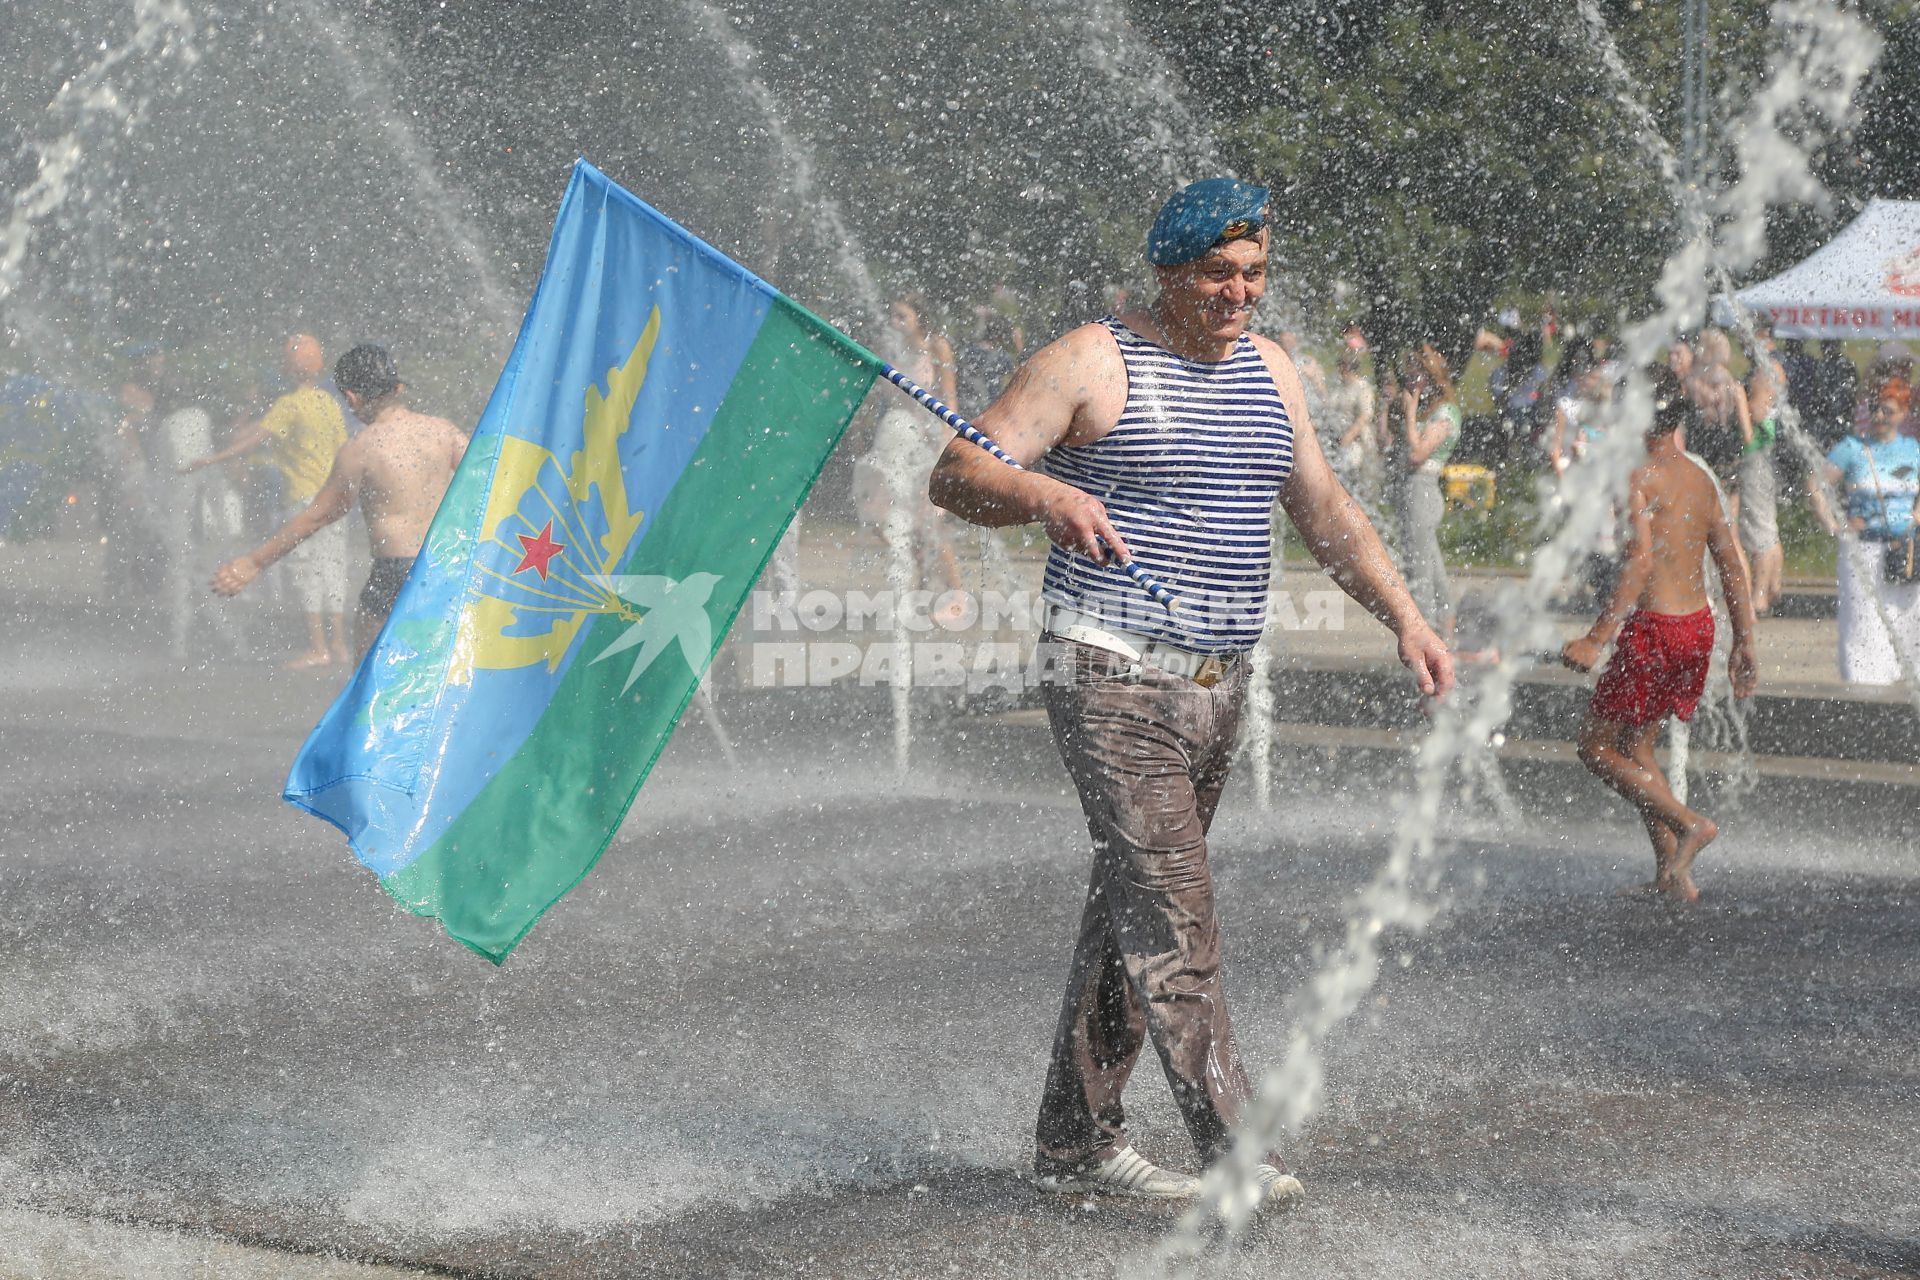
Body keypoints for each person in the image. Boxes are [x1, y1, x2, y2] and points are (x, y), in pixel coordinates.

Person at [927, 177, 1453, 1211]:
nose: (1239, 292)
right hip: (1109, 666)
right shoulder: (1090, 360)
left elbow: (1326, 509)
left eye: (1254, 273)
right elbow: (956, 472)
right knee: (1176, 912)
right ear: (1169, 269)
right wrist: (1043, 491)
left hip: (1219, 682)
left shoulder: (1272, 372)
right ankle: (1236, 1152)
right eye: (1218, 272)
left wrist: (1406, 614)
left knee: (1136, 899)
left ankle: (1076, 1139)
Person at [1561, 369, 1759, 902]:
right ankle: (1673, 875)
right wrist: (1743, 641)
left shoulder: (1639, 475)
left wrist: (1597, 638)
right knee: (1639, 745)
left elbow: (1640, 560)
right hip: (1697, 627)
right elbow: (1732, 567)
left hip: (1656, 630)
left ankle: (1691, 824)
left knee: (1596, 747)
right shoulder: (1699, 478)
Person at [210, 344, 468, 657]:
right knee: (443, 667)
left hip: (395, 570)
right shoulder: (444, 432)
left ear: (351, 397)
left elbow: (316, 517)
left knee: (370, 678)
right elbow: (493, 479)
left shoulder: (360, 449)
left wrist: (254, 562)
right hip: (448, 563)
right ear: (398, 388)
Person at [183, 334, 351, 667]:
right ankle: (340, 644)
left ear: (287, 368)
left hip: (303, 500)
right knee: (333, 569)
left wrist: (213, 459)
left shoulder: (289, 405)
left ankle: (318, 649)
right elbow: (345, 449)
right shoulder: (329, 403)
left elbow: (254, 439)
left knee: (306, 572)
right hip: (334, 500)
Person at [1809, 379, 1920, 685]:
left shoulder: (1913, 450)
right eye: (1875, 409)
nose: (1880, 416)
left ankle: (1906, 688)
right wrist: (1834, 524)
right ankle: (1864, 689)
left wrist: (1916, 514)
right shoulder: (1852, 449)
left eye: (1888, 410)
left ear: (1904, 413)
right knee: (1864, 622)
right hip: (1864, 551)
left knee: (1908, 621)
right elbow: (1814, 485)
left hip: (1906, 549)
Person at [1392, 343, 1461, 641]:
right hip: (1414, 491)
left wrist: (1409, 413)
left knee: (1419, 570)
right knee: (1431, 568)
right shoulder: (1432, 410)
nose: (1411, 380)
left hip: (1422, 491)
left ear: (1430, 377)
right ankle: (1446, 641)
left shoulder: (1445, 412)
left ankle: (1428, 638)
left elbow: (1417, 453)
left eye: (1416, 374)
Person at [1741, 327, 1787, 614]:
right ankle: (1773, 587)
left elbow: (1757, 412)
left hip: (1758, 452)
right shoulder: (1776, 366)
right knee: (1769, 525)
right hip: (1771, 452)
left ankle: (1758, 596)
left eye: (1746, 336)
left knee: (1760, 528)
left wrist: (1737, 402)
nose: (1742, 343)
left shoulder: (1763, 370)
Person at [1324, 345, 1381, 515]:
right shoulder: (1340, 387)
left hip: (1358, 442)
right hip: (1340, 441)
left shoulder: (1363, 388)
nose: (1340, 370)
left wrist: (1349, 435)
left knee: (1352, 478)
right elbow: (1328, 407)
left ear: (1349, 367)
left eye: (1342, 366)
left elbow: (1365, 415)